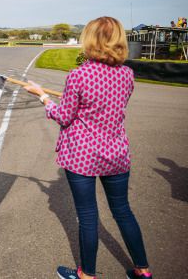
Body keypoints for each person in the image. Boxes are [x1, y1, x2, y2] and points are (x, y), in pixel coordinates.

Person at [24, 17, 152, 279]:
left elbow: (63, 116)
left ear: (91, 40)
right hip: (116, 153)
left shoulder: (79, 75)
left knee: (88, 215)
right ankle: (143, 271)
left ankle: (87, 275)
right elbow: (105, 105)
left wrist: (43, 96)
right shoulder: (127, 74)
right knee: (123, 211)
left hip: (83, 156)